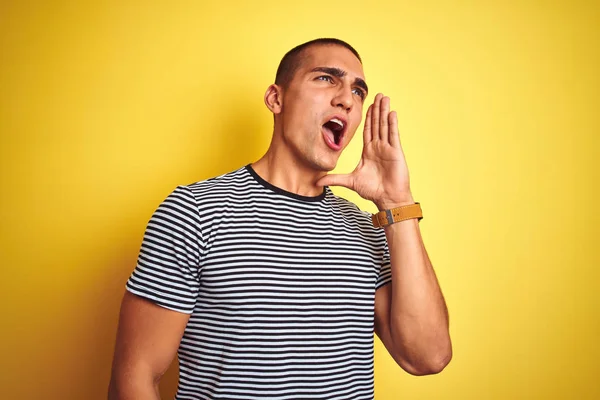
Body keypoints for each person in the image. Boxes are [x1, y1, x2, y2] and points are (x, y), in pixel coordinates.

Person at [108, 38, 452, 400]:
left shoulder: (367, 227)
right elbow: (135, 376)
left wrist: (397, 202)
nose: (347, 99)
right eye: (325, 79)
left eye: (357, 90)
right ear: (276, 98)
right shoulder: (195, 211)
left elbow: (427, 356)